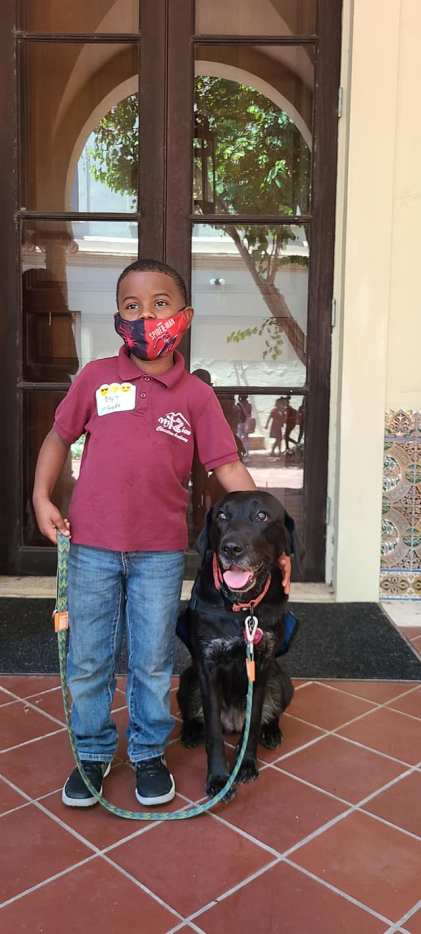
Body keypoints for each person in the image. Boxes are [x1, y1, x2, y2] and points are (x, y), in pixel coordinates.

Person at [32, 258, 258, 810]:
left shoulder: (196, 397)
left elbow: (227, 469)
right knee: (87, 656)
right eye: (132, 306)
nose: (146, 316)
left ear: (184, 317)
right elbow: (59, 438)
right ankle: (90, 751)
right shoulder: (94, 379)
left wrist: (259, 531)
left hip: (159, 554)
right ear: (118, 318)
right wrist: (41, 496)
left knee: (153, 660)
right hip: (90, 548)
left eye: (160, 304)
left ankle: (149, 752)